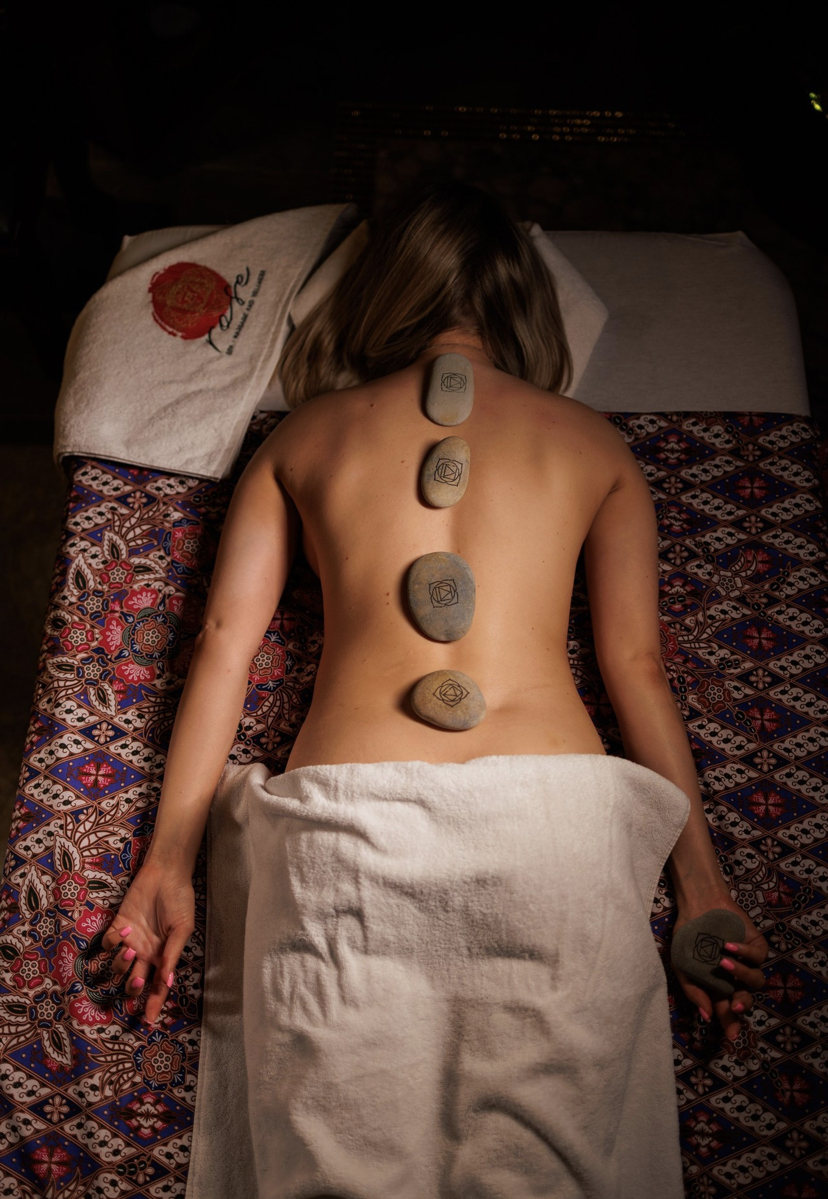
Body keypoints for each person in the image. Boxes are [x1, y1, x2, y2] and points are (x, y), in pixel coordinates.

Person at [98, 181, 767, 1188]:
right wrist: (703, 887)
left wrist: (168, 864)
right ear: (524, 306)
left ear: (380, 294)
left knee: (336, 1165)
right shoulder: (594, 443)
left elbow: (224, 647)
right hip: (555, 829)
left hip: (349, 832)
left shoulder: (303, 436)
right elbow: (638, 668)